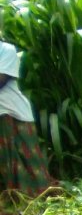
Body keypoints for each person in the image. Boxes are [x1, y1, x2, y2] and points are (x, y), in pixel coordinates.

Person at [0, 39, 55, 196]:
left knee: (29, 168)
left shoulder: (6, 50)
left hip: (12, 114)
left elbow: (1, 80)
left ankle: (31, 202)